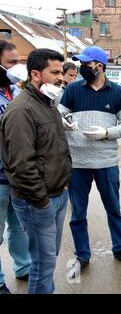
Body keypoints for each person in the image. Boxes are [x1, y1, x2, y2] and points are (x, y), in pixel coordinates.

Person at [58, 46, 121, 274]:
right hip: (78, 162)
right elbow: (59, 114)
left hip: (106, 162)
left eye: (86, 64)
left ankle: (120, 248)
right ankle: (82, 255)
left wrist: (106, 133)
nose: (82, 67)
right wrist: (64, 122)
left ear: (99, 67)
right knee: (78, 213)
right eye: (81, 64)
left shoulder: (118, 92)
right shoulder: (73, 89)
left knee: (114, 209)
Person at [0, 48, 72, 294]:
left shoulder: (47, 102)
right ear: (36, 74)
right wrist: (41, 200)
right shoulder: (21, 110)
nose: (61, 77)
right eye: (55, 72)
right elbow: (21, 164)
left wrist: (64, 184)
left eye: (62, 72)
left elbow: (55, 147)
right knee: (42, 264)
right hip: (38, 200)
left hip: (57, 194)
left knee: (48, 259)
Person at [0, 40, 30, 294]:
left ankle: (23, 267)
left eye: (18, 62)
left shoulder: (16, 90)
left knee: (18, 226)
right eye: (11, 63)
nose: (16, 68)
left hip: (17, 176)